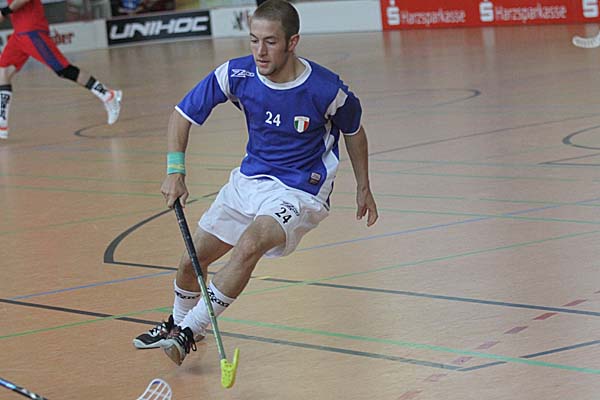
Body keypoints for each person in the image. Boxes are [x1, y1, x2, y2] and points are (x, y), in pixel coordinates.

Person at [132, 0, 378, 366]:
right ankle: (178, 325)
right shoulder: (238, 74)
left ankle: (191, 329)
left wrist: (363, 186)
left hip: (300, 190)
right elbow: (182, 114)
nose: (260, 51)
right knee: (190, 261)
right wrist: (175, 170)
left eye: (270, 42)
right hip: (248, 181)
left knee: (250, 245)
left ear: (292, 42)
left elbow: (354, 132)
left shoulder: (326, 89)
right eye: (253, 40)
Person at [0, 0, 122, 140]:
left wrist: (4, 11)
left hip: (31, 31)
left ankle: (107, 95)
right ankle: (2, 123)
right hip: (19, 33)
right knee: (3, 71)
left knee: (64, 69)